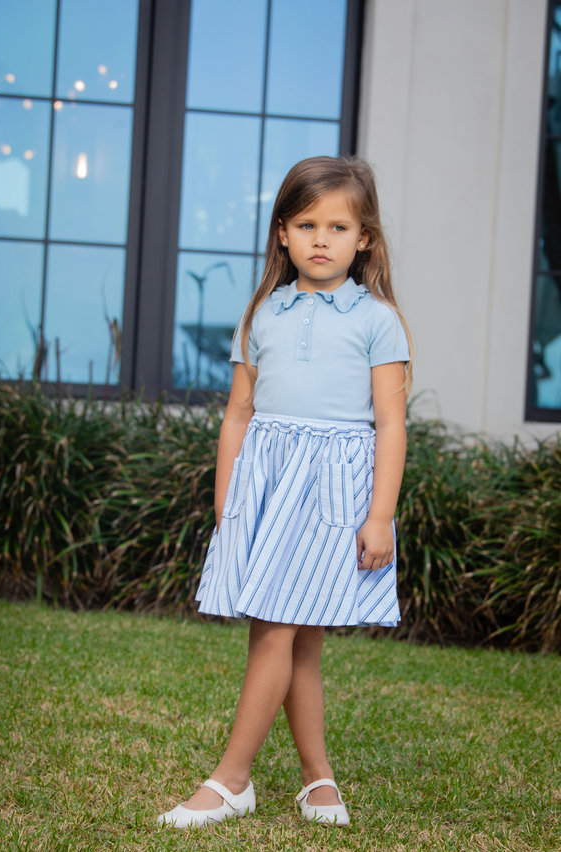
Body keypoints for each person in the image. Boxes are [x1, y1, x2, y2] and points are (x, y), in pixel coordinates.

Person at [158, 156, 413, 828]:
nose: (320, 239)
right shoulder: (262, 315)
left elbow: (390, 423)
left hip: (333, 492)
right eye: (306, 224)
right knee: (292, 635)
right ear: (281, 233)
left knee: (281, 628)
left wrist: (380, 514)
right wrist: (228, 501)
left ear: (365, 239)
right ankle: (317, 777)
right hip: (266, 485)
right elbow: (238, 414)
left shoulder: (377, 319)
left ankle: (231, 779)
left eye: (337, 226)